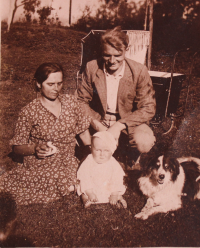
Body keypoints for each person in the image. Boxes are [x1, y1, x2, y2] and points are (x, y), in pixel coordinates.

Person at [0, 63, 91, 205]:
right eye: (50, 84)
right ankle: (71, 186)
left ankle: (70, 185)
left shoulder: (71, 103)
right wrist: (35, 148)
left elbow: (83, 131)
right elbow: (17, 147)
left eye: (59, 83)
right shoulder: (29, 111)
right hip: (41, 161)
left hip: (67, 158)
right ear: (38, 84)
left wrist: (90, 154)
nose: (56, 89)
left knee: (82, 172)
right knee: (52, 177)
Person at [77, 26, 156, 167]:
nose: (112, 61)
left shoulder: (139, 71)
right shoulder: (92, 67)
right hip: (99, 120)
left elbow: (148, 107)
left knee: (144, 141)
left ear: (127, 49)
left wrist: (119, 125)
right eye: (107, 55)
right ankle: (90, 156)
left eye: (118, 55)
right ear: (102, 52)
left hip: (127, 121)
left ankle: (131, 159)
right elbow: (80, 100)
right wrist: (97, 125)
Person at [77, 131, 127, 208]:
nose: (102, 154)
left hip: (108, 188)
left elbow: (117, 178)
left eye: (106, 150)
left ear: (112, 151)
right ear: (91, 149)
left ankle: (118, 198)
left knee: (117, 192)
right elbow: (84, 177)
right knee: (84, 193)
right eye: (98, 150)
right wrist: (90, 192)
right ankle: (87, 200)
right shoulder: (88, 161)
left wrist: (114, 193)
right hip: (92, 188)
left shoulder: (113, 163)